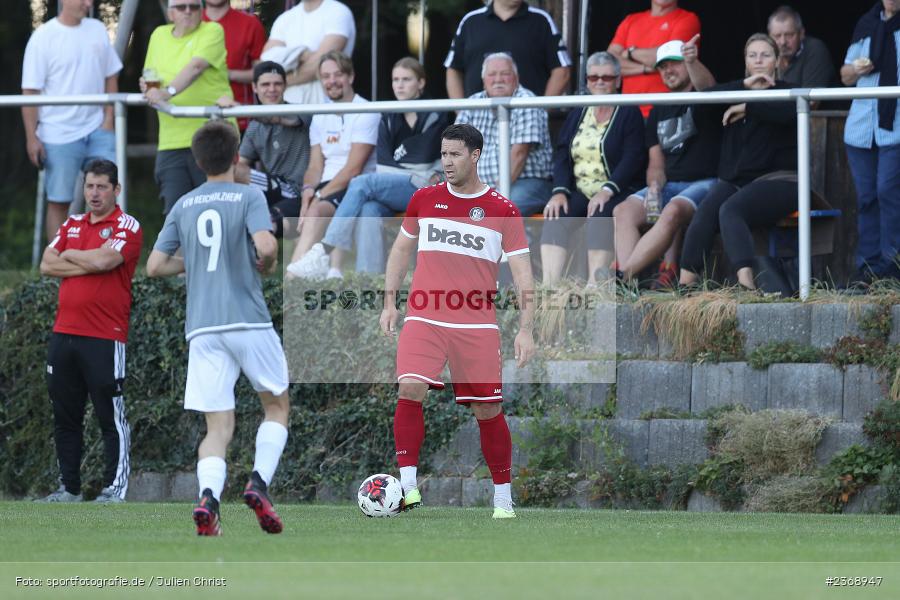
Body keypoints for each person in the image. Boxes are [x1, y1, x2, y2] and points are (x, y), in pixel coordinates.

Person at [379, 123, 536, 519]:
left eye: (454, 155)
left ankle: (502, 498)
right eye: (444, 154)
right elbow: (400, 251)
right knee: (410, 388)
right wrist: (390, 303)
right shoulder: (424, 199)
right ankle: (408, 487)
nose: (446, 162)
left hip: (477, 326)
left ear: (475, 155)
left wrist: (527, 328)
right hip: (424, 318)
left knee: (488, 411)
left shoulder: (503, 209)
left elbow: (522, 275)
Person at [147, 121, 289, 537]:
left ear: (197, 160)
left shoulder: (184, 204)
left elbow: (155, 266)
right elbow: (264, 245)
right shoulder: (248, 195)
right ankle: (259, 484)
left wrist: (191, 265)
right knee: (276, 406)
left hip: (203, 328)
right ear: (235, 157)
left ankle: (208, 497)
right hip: (247, 318)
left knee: (217, 427)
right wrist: (270, 261)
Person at [286, 57, 449, 279]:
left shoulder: (435, 114)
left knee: (361, 182)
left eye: (406, 79)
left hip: (428, 190)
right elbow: (385, 164)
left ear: (420, 83)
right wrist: (404, 158)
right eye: (395, 80)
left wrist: (399, 158)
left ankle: (323, 250)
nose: (399, 85)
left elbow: (420, 162)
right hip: (401, 187)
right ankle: (369, 281)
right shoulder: (388, 115)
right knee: (368, 210)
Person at [38, 160, 141, 504]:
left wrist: (71, 254)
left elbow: (105, 262)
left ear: (116, 190)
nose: (94, 194)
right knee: (65, 416)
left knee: (110, 415)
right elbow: (45, 264)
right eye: (89, 187)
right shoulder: (71, 222)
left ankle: (115, 489)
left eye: (101, 187)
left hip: (104, 335)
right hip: (63, 333)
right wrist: (87, 256)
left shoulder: (127, 224)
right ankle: (69, 488)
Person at [678, 34, 799, 290]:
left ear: (777, 61)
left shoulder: (787, 91)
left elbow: (789, 113)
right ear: (745, 61)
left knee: (730, 210)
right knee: (704, 214)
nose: (758, 60)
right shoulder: (734, 91)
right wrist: (743, 86)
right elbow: (703, 100)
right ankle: (685, 286)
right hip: (736, 181)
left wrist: (747, 106)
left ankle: (746, 287)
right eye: (752, 55)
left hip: (781, 181)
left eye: (765, 55)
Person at [612, 40, 720, 289]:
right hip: (671, 185)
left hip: (706, 183)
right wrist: (653, 188)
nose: (668, 71)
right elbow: (656, 164)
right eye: (663, 67)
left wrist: (693, 62)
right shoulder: (659, 107)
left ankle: (623, 276)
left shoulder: (705, 98)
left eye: (675, 64)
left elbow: (709, 87)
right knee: (622, 211)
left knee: (671, 209)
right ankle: (630, 287)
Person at [539, 52, 646, 286]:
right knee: (555, 215)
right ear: (586, 80)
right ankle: (549, 288)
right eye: (594, 77)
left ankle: (594, 287)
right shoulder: (579, 111)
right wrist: (559, 191)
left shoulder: (628, 111)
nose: (599, 81)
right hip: (582, 190)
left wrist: (608, 189)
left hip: (620, 189)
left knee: (601, 213)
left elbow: (633, 157)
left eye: (607, 77)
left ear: (618, 81)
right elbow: (562, 152)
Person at [22, 0, 122, 242]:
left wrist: (108, 119)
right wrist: (31, 137)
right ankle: (58, 266)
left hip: (99, 129)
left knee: (109, 195)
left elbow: (111, 74)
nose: (88, 4)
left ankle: (106, 258)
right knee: (59, 200)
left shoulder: (97, 28)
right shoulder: (43, 37)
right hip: (57, 134)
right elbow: (30, 92)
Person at [286, 52, 380, 269]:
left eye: (337, 74)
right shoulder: (320, 114)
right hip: (328, 187)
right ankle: (314, 274)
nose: (332, 81)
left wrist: (318, 198)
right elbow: (315, 165)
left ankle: (293, 279)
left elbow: (353, 169)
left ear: (351, 77)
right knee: (309, 215)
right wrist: (308, 191)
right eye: (326, 76)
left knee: (315, 213)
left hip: (356, 185)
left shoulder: (366, 111)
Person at [142, 0, 235, 214]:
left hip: (212, 135)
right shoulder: (159, 35)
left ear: (202, 11)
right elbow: (150, 77)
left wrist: (167, 93)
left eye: (194, 7)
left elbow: (196, 67)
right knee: (175, 215)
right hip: (171, 140)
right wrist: (148, 89)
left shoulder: (213, 29)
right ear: (170, 12)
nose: (188, 11)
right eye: (182, 6)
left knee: (217, 211)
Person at [841, 0, 900, 283]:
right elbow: (844, 76)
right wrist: (857, 69)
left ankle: (893, 266)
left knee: (888, 192)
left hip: (896, 126)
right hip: (861, 126)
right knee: (866, 198)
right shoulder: (866, 24)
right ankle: (868, 268)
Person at [454, 53, 553, 217]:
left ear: (516, 78)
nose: (498, 79)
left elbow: (519, 154)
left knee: (493, 210)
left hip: (527, 182)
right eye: (492, 74)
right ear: (484, 79)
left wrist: (490, 194)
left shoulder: (527, 101)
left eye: (505, 74)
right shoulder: (473, 102)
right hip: (481, 187)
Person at [220, 61, 311, 239]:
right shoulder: (254, 126)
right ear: (254, 87)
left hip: (300, 190)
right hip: (274, 188)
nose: (272, 89)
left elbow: (280, 118)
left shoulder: (300, 110)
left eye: (277, 84)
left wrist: (240, 109)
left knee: (266, 219)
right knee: (230, 171)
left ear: (285, 86)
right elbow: (241, 166)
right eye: (265, 84)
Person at [444, 0, 571, 99]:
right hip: (477, 121)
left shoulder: (541, 21)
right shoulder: (470, 22)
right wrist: (462, 113)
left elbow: (562, 71)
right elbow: (453, 70)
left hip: (527, 121)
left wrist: (540, 112)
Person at [607, 0, 701, 117]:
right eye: (661, 67)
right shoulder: (630, 20)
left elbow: (666, 56)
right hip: (628, 112)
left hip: (666, 110)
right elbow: (609, 64)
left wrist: (631, 52)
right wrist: (645, 68)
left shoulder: (687, 18)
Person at [262, 0, 356, 105]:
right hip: (288, 110)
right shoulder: (285, 18)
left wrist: (282, 79)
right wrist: (302, 54)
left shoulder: (338, 12)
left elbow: (322, 65)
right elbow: (266, 62)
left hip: (328, 107)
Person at [203, 0, 266, 131]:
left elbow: (262, 74)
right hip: (195, 115)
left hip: (240, 117)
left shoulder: (250, 23)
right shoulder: (191, 22)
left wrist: (227, 74)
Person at [767, 5, 837, 89]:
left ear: (801, 34)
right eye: (777, 36)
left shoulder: (815, 49)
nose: (783, 42)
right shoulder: (766, 55)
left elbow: (811, 100)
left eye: (789, 35)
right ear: (769, 37)